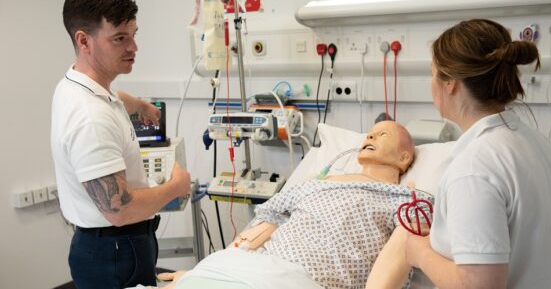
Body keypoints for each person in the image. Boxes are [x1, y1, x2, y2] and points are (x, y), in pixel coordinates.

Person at [149, 121, 432, 289]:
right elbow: (267, 220)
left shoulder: (407, 202)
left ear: (405, 158)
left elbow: (398, 258)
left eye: (383, 135)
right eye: (370, 133)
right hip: (254, 271)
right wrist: (205, 273)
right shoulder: (318, 183)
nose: (370, 137)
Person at [401, 19, 551, 288]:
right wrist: (441, 238)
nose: (431, 83)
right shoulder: (536, 143)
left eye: (433, 73)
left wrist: (420, 253)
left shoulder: (474, 168)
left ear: (451, 84)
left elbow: (479, 284)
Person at [51, 0, 191, 288]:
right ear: (84, 40)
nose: (134, 47)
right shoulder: (89, 117)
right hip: (116, 251)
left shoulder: (78, 84)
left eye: (133, 34)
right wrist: (175, 187)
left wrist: (139, 105)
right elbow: (119, 209)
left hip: (110, 246)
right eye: (120, 39)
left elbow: (111, 96)